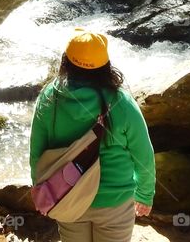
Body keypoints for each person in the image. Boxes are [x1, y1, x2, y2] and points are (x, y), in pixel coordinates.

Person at [29, 28, 156, 242]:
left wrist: (41, 188)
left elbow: (37, 151)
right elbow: (143, 153)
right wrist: (144, 193)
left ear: (66, 61)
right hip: (114, 202)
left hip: (67, 196)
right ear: (105, 66)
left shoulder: (50, 97)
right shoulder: (120, 101)